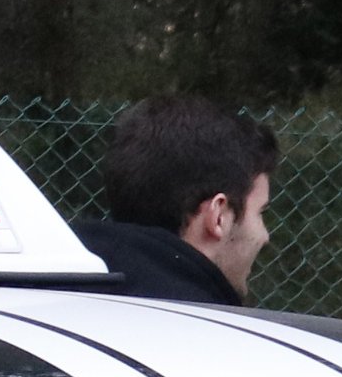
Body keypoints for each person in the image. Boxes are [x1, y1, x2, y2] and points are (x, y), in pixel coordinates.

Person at [81, 97, 275, 303]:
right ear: (219, 216)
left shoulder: (61, 290)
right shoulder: (206, 329)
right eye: (260, 212)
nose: (265, 237)